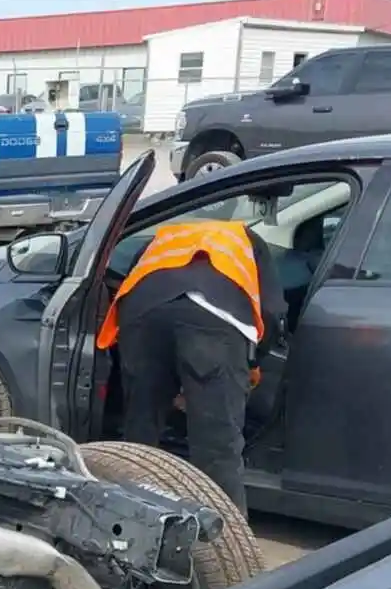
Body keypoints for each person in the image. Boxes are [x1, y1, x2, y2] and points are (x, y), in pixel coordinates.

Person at [96, 216, 286, 516]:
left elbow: (137, 285)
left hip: (141, 313)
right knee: (217, 444)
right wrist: (254, 361)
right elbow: (274, 313)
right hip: (213, 320)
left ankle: (129, 519)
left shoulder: (163, 237)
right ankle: (224, 542)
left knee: (141, 429)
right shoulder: (249, 241)